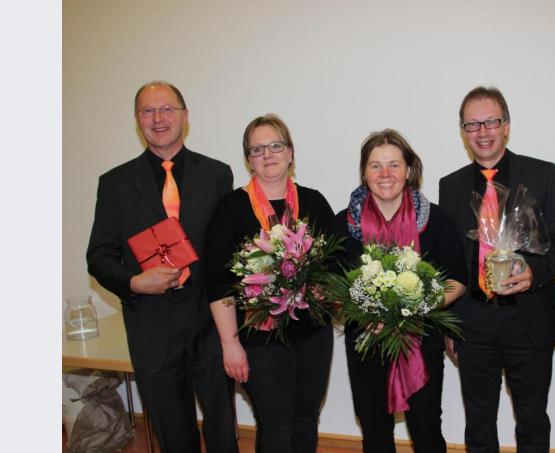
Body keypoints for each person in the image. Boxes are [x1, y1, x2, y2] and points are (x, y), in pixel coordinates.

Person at [86, 81, 238, 452]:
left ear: (185, 116)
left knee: (222, 428)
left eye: (167, 109)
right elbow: (99, 256)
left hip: (209, 318)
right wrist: (136, 281)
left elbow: (229, 251)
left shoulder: (217, 174)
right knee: (172, 433)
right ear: (137, 120)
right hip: (151, 323)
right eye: (147, 111)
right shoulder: (115, 183)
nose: (158, 118)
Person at [439, 86, 555, 453]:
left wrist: (534, 272)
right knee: (479, 421)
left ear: (507, 126)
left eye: (491, 122)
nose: (482, 132)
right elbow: (450, 262)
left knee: (532, 420)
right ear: (463, 131)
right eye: (472, 124)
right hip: (473, 322)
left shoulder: (542, 174)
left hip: (528, 317)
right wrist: (449, 323)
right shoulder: (450, 186)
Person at [329, 129, 467, 453]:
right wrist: (363, 312)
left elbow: (458, 279)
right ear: (364, 172)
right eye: (376, 165)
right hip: (365, 344)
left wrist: (415, 309)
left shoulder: (436, 220)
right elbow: (330, 289)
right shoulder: (343, 224)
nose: (385, 174)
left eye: (394, 164)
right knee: (375, 434)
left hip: (422, 341)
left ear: (409, 169)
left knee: (427, 431)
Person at [205, 114, 335, 453]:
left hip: (312, 335)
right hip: (259, 339)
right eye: (258, 148)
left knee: (306, 419)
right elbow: (217, 284)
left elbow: (336, 267)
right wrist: (230, 345)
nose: (268, 154)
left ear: (290, 152)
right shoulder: (230, 208)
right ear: (249, 160)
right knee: (276, 428)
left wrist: (326, 289)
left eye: (276, 145)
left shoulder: (314, 202)